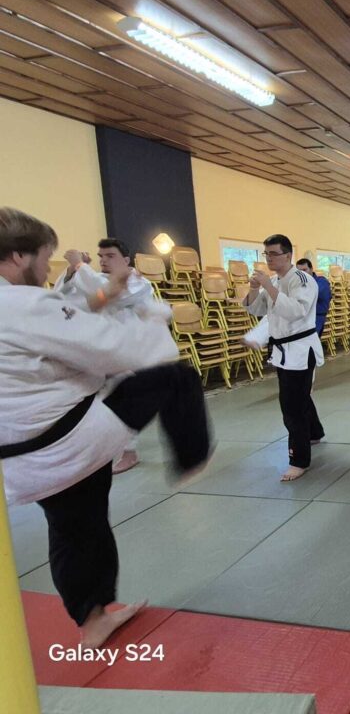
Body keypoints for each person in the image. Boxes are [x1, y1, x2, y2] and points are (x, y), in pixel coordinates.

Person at [0, 207, 211, 648]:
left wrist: (106, 295)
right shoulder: (20, 304)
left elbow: (61, 320)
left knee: (75, 526)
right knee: (175, 377)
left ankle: (91, 619)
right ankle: (190, 458)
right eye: (45, 258)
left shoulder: (19, 305)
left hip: (22, 460)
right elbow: (113, 349)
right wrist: (155, 321)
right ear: (19, 257)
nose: (48, 269)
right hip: (70, 438)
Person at [54, 238, 157, 474]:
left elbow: (110, 294)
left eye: (110, 256)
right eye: (101, 257)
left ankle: (129, 451)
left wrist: (80, 266)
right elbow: (63, 299)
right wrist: (71, 271)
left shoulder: (139, 282)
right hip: (99, 348)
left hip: (129, 350)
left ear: (126, 260)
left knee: (124, 399)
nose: (103, 261)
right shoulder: (93, 279)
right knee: (98, 402)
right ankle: (101, 449)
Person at [243, 235, 324, 481]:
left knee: (291, 406)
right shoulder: (275, 281)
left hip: (300, 349)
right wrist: (254, 288)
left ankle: (299, 460)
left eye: (273, 253)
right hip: (282, 350)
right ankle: (314, 432)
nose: (268, 258)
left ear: (287, 255)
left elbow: (296, 311)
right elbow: (257, 310)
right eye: (266, 253)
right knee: (299, 398)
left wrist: (268, 286)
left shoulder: (302, 280)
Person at [296, 258, 332, 337]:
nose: (302, 273)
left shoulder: (322, 281)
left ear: (311, 269)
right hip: (303, 318)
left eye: (304, 270)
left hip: (317, 318)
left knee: (310, 342)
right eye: (299, 271)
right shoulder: (300, 284)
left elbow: (313, 293)